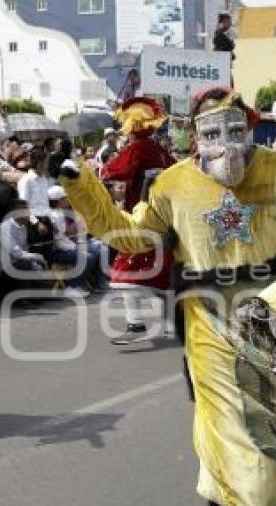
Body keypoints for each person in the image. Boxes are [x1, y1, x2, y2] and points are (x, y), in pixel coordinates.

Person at [60, 87, 276, 506]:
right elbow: (129, 236)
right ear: (194, 137)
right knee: (224, 415)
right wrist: (82, 186)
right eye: (211, 132)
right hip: (207, 314)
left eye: (234, 130)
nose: (224, 143)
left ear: (249, 128)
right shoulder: (172, 185)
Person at [100, 97, 176, 343]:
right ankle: (171, 324)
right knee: (162, 272)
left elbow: (112, 171)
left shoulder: (138, 148)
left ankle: (136, 324)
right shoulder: (160, 150)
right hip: (164, 218)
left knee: (125, 270)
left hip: (141, 217)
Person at [47, 185, 103, 294]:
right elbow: (58, 242)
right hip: (57, 251)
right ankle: (72, 286)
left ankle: (91, 283)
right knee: (87, 257)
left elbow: (63, 238)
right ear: (60, 200)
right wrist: (75, 247)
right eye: (65, 198)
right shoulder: (54, 216)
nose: (68, 200)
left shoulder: (60, 213)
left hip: (66, 246)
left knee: (96, 251)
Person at [0, 198, 48, 294]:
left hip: (18, 265)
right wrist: (38, 257)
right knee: (25, 264)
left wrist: (37, 264)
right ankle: (22, 299)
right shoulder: (5, 227)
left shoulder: (23, 227)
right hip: (3, 271)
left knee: (45, 289)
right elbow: (17, 254)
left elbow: (25, 250)